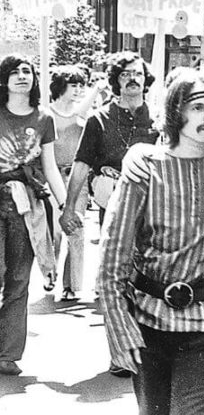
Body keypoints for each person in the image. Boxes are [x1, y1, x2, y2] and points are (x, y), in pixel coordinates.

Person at [97, 68, 204, 414]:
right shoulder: (145, 166)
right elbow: (112, 257)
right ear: (176, 112)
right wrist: (119, 330)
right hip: (147, 319)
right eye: (197, 107)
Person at [59, 51, 159, 377]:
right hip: (113, 212)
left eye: (138, 74)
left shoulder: (159, 121)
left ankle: (150, 348)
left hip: (156, 213)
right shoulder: (98, 120)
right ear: (116, 80)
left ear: (146, 80)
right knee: (117, 282)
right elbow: (81, 166)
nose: (133, 78)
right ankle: (121, 353)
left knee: (148, 281)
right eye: (126, 74)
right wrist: (70, 207)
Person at [0, 54, 67, 376]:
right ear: (4, 80)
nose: (22, 76)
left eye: (27, 71)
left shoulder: (44, 118)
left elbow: (50, 167)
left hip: (25, 207)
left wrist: (66, 205)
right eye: (14, 72)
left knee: (18, 280)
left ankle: (8, 353)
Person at [48, 65, 104, 302]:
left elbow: (82, 113)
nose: (79, 90)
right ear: (61, 87)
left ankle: (72, 285)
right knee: (55, 234)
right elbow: (77, 112)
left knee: (76, 231)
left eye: (82, 85)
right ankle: (49, 273)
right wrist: (96, 89)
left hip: (76, 178)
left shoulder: (84, 115)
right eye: (74, 85)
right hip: (52, 179)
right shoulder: (46, 113)